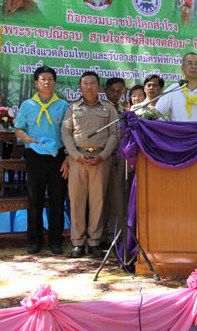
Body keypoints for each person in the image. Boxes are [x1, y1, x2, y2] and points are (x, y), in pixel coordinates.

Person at [62, 71, 118, 258]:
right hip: (77, 159)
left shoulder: (108, 108)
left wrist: (103, 155)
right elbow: (66, 134)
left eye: (92, 83)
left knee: (98, 201)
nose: (89, 87)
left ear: (99, 87)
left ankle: (94, 241)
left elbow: (114, 134)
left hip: (101, 160)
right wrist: (76, 156)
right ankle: (77, 242)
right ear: (80, 87)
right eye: (85, 83)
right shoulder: (72, 108)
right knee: (76, 200)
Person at [14, 66, 69, 255]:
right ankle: (35, 239)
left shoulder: (63, 106)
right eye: (43, 79)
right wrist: (29, 139)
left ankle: (56, 240)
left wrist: (68, 157)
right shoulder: (27, 105)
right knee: (34, 199)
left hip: (57, 157)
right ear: (36, 83)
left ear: (55, 82)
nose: (47, 82)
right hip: (34, 156)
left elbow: (69, 133)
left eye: (50, 79)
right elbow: (18, 129)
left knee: (57, 199)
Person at [155, 52, 197, 121]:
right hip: (178, 131)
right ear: (183, 68)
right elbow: (158, 112)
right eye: (189, 63)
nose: (193, 67)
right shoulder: (173, 89)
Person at [102, 78, 127, 246]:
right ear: (105, 91)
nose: (115, 95)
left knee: (117, 200)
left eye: (119, 92)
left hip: (119, 161)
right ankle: (100, 236)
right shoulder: (99, 109)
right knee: (100, 200)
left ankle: (114, 235)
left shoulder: (125, 113)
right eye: (113, 91)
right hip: (101, 160)